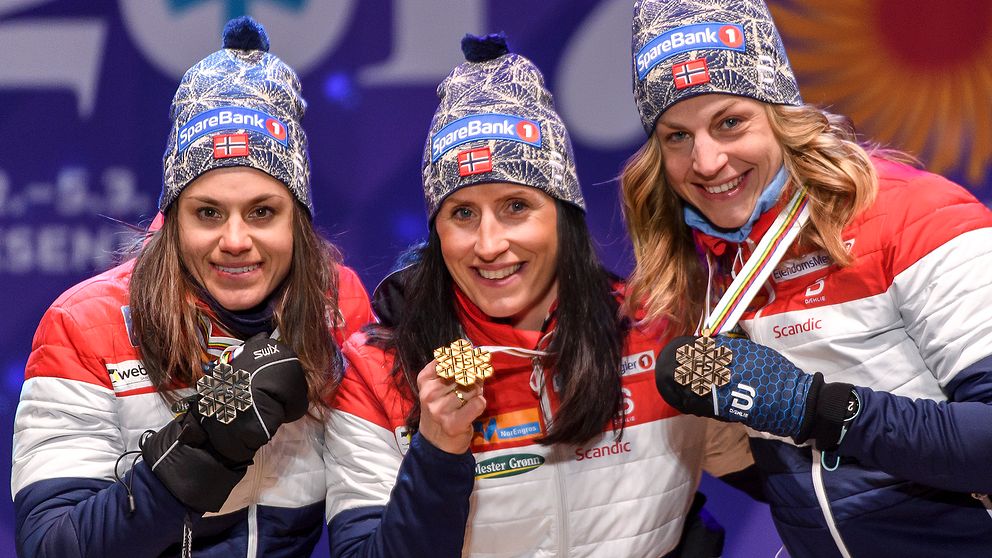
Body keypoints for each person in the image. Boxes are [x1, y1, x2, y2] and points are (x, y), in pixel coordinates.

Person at [323, 34, 753, 558]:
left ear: (564, 217)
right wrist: (437, 449)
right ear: (437, 234)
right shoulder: (374, 370)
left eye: (516, 206)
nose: (488, 244)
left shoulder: (663, 330)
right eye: (462, 214)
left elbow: (798, 488)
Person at [622, 0, 992, 556]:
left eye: (729, 122)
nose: (705, 161)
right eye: (677, 136)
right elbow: (825, 485)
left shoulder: (916, 216)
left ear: (781, 114)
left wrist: (816, 408)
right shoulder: (712, 266)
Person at [11, 16, 372, 557]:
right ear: (174, 218)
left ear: (297, 220)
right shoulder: (86, 323)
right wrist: (205, 444)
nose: (235, 240)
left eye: (262, 212)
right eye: (208, 212)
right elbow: (52, 546)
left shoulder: (336, 305)